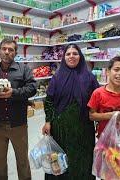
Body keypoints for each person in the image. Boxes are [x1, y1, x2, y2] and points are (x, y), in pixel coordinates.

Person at [0, 38, 37, 180]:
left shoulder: (24, 69)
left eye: (10, 49)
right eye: (4, 49)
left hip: (18, 125)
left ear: (15, 53)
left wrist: (14, 93)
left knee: (22, 161)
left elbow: (32, 88)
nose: (7, 52)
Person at [42, 43, 99, 180]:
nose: (71, 56)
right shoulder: (57, 77)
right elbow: (49, 100)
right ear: (64, 57)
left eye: (75, 53)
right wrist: (48, 121)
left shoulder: (90, 78)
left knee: (82, 159)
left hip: (83, 129)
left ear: (80, 56)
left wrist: (100, 119)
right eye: (68, 54)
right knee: (61, 159)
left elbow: (97, 101)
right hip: (60, 129)